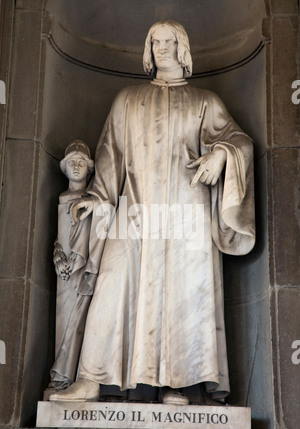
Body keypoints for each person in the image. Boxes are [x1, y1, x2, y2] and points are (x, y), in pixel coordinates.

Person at [49, 20, 255, 404]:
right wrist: (98, 195)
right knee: (111, 285)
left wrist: (220, 156)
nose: (161, 47)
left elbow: (239, 140)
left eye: (169, 40)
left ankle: (176, 383)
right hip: (134, 209)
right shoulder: (126, 98)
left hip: (186, 214)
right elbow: (110, 153)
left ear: (182, 46)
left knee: (184, 293)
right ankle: (91, 377)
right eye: (154, 41)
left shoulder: (204, 101)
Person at [48, 141, 96, 393]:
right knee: (64, 315)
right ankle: (62, 376)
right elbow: (61, 236)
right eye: (71, 163)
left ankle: (77, 376)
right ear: (64, 169)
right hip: (65, 270)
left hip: (85, 269)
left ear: (89, 169)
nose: (76, 167)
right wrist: (59, 252)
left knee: (83, 318)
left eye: (81, 163)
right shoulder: (63, 198)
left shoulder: (94, 200)